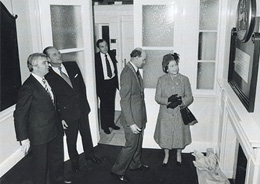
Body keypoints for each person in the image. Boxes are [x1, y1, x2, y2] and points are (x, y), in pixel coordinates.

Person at [43, 46, 101, 174]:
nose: (58, 55)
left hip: (81, 108)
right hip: (67, 114)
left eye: (58, 52)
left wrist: (85, 104)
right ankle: (74, 162)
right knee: (71, 139)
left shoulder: (72, 65)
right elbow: (52, 100)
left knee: (86, 134)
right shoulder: (47, 76)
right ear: (47, 59)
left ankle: (90, 155)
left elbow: (82, 86)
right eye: (54, 54)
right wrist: (60, 117)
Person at [13, 53, 68, 184]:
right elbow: (20, 114)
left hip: (54, 129)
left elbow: (52, 104)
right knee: (40, 167)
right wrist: (23, 138)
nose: (48, 65)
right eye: (45, 63)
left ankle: (58, 181)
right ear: (34, 66)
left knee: (56, 160)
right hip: (39, 135)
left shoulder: (45, 80)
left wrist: (60, 119)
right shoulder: (28, 87)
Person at [111, 48, 149, 183]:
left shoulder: (135, 71)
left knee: (138, 143)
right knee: (131, 145)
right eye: (143, 59)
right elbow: (125, 100)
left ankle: (135, 165)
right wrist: (131, 123)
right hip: (131, 118)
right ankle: (117, 171)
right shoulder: (127, 73)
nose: (144, 62)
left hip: (139, 116)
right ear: (136, 57)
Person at [154, 53, 193, 168]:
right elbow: (157, 97)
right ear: (166, 68)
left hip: (179, 113)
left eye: (176, 65)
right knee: (165, 136)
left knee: (179, 136)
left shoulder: (184, 79)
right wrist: (168, 100)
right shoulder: (161, 80)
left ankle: (178, 154)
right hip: (166, 113)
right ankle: (166, 155)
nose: (175, 68)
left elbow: (190, 97)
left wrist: (181, 101)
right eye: (171, 66)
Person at [95, 39, 120, 134]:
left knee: (111, 104)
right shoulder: (96, 58)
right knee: (104, 106)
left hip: (112, 82)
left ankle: (111, 123)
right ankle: (105, 126)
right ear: (98, 48)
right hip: (102, 84)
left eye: (106, 45)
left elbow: (114, 68)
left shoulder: (111, 54)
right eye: (102, 46)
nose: (105, 48)